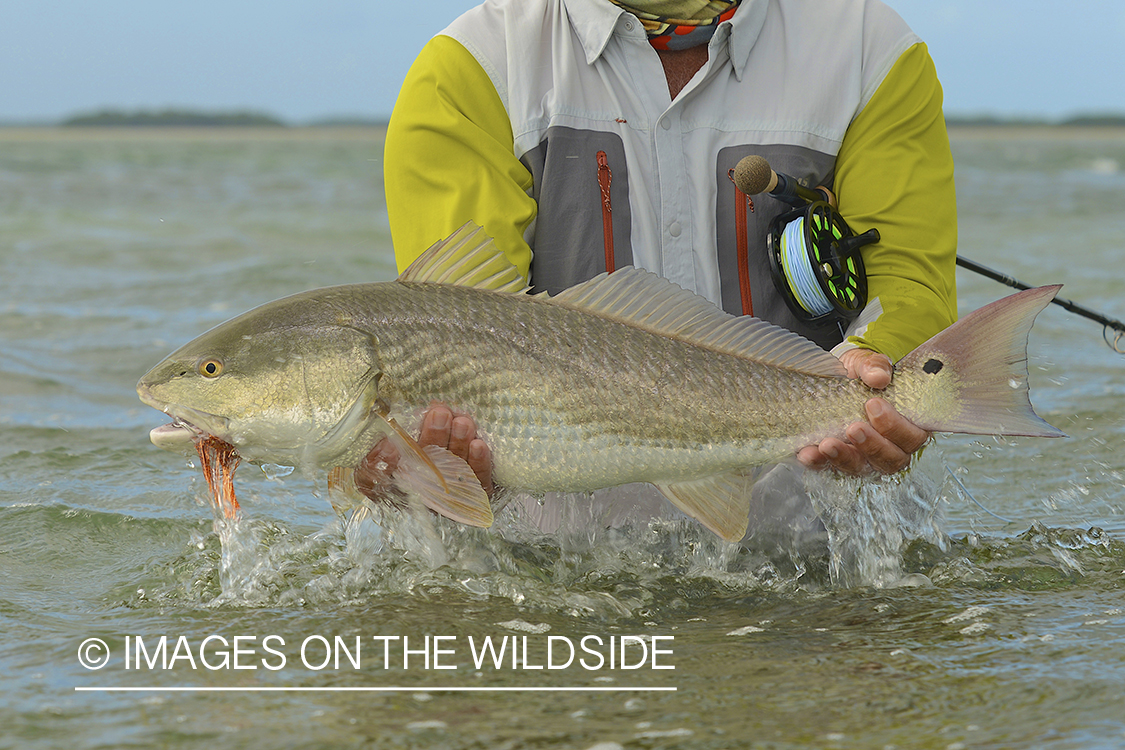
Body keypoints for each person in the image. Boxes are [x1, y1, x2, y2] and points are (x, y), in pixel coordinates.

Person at [376, 0, 956, 536]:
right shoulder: (472, 66)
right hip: (551, 572)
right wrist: (406, 460)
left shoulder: (871, 49)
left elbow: (908, 286)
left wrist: (880, 378)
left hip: (817, 551)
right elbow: (453, 329)